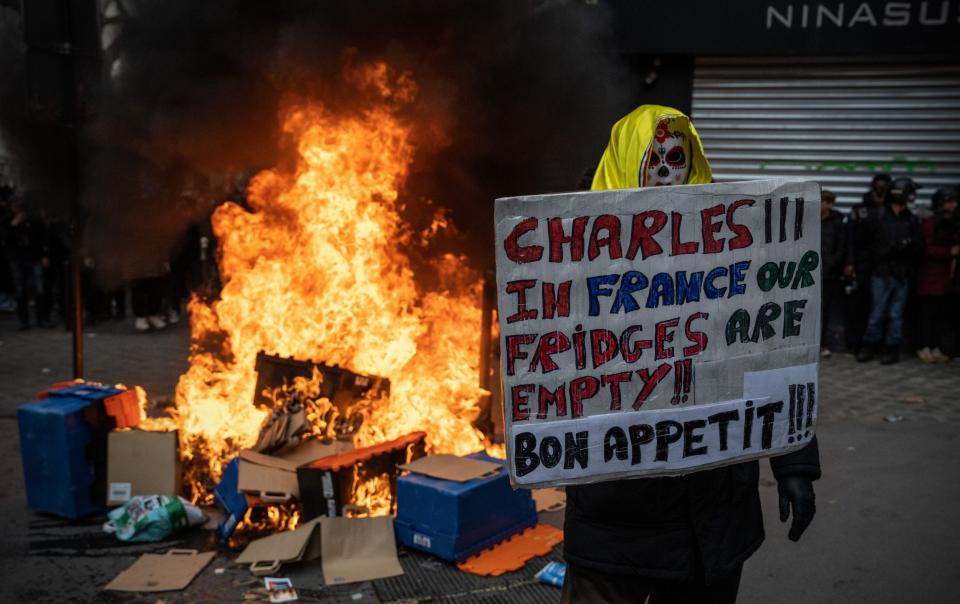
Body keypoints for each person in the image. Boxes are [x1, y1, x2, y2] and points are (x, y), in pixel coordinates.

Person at [562, 105, 821, 604]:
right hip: (618, 516)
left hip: (713, 513)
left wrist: (795, 464)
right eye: (649, 159)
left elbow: (772, 351)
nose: (663, 172)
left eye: (675, 158)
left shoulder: (737, 243)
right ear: (623, 161)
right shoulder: (571, 250)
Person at [855, 178, 924, 365]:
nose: (913, 197)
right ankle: (869, 346)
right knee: (877, 313)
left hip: (902, 274)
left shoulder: (912, 219)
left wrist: (907, 247)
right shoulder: (877, 217)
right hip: (881, 273)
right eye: (910, 194)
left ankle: (891, 348)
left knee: (895, 314)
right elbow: (863, 245)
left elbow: (920, 247)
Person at [915, 188, 959, 362]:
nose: (953, 205)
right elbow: (926, 249)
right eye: (949, 202)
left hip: (946, 281)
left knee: (940, 317)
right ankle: (923, 346)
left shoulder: (952, 222)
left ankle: (935, 347)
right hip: (930, 278)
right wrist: (950, 251)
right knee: (927, 315)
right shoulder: (931, 223)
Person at [820, 190, 846, 356]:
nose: (826, 205)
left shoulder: (836, 222)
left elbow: (842, 245)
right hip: (811, 272)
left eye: (829, 202)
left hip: (828, 273)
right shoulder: (807, 220)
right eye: (824, 201)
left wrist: (831, 262)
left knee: (826, 310)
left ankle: (823, 344)